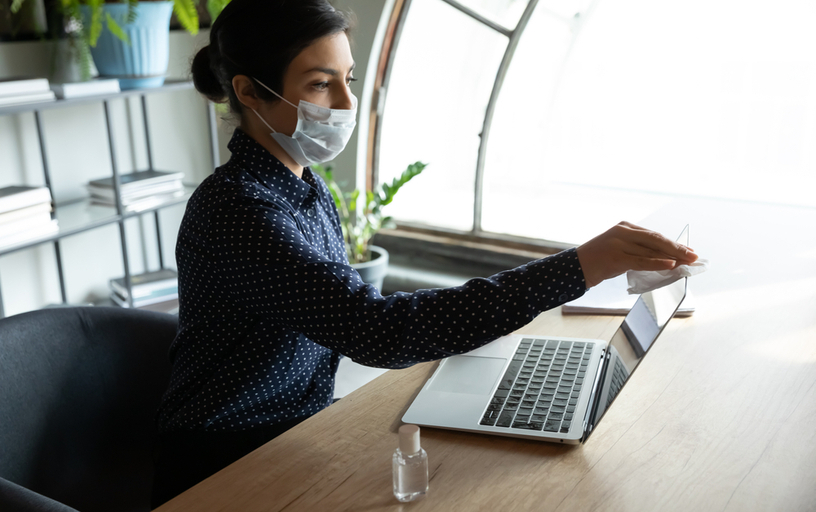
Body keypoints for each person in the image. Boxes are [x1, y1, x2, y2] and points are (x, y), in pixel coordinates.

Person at [150, 0, 698, 507]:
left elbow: (359, 310)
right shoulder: (239, 211)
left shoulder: (302, 187)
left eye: (349, 80)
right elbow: (380, 332)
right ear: (248, 92)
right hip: (225, 462)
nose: (346, 104)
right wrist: (579, 266)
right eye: (320, 85)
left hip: (297, 431)